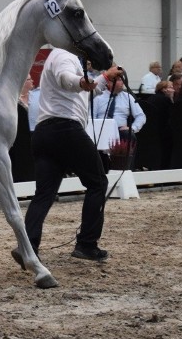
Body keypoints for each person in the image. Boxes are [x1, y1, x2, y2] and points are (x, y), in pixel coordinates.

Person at [21, 48, 121, 263]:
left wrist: (103, 79)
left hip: (44, 133)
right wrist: (89, 80)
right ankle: (87, 244)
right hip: (65, 129)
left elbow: (83, 90)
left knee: (44, 194)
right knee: (98, 182)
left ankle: (28, 247)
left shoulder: (61, 58)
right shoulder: (64, 56)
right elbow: (68, 79)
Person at [93, 75, 146, 141]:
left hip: (121, 131)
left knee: (129, 135)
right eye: (119, 80)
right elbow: (91, 117)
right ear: (108, 83)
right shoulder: (98, 97)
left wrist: (132, 128)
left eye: (122, 80)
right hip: (101, 130)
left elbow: (141, 116)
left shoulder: (128, 97)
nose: (122, 83)